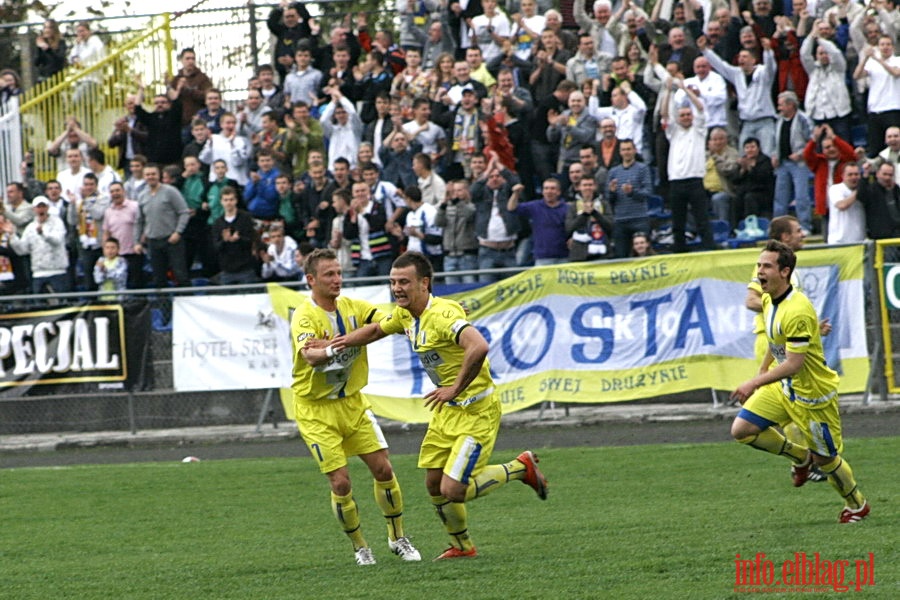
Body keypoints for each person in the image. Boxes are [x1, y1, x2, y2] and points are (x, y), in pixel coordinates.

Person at [329, 251, 548, 560]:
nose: (397, 288)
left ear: (424, 283)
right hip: (447, 412)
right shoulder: (406, 314)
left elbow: (479, 346)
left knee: (453, 490)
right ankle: (462, 547)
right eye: (393, 282)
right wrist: (337, 343)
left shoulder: (443, 315)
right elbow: (378, 329)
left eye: (404, 282)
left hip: (475, 411)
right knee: (433, 484)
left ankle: (519, 468)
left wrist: (455, 388)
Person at [289, 248, 421, 566]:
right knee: (341, 482)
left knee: (384, 469)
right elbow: (311, 356)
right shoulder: (303, 315)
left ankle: (398, 537)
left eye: (339, 273)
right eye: (329, 274)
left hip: (353, 404)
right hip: (315, 410)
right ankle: (361, 547)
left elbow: (385, 322)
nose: (337, 279)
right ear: (311, 280)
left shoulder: (353, 307)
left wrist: (340, 341)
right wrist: (345, 343)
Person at [730, 240, 869, 524]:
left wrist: (753, 383)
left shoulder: (797, 309)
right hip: (785, 389)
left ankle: (857, 505)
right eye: (759, 265)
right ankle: (800, 456)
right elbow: (775, 340)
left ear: (785, 272)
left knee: (827, 460)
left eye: (766, 266)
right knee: (742, 430)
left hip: (813, 397)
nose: (759, 272)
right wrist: (761, 373)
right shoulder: (769, 299)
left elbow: (795, 363)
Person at [662, 78, 715, 252]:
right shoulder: (674, 132)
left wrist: (685, 89)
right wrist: (668, 92)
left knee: (702, 219)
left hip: (695, 181)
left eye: (688, 115)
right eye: (682, 115)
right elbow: (664, 114)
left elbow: (700, 107)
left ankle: (710, 250)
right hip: (677, 181)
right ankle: (680, 251)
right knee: (678, 221)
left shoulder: (699, 129)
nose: (685, 117)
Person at [134, 164, 190, 288]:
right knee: (159, 278)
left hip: (172, 241)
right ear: (144, 177)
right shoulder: (142, 196)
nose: (150, 177)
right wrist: (137, 242)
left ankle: (186, 303)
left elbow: (184, 212)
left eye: (153, 174)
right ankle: (164, 306)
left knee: (180, 275)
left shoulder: (170, 191)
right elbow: (139, 221)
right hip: (153, 242)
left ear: (159, 175)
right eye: (147, 175)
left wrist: (178, 232)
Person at [4, 196, 69, 294]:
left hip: (57, 271)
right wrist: (12, 235)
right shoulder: (30, 227)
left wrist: (43, 233)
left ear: (47, 208)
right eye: (38, 207)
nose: (41, 209)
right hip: (38, 273)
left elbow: (57, 241)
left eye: (43, 206)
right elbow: (22, 250)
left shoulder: (57, 223)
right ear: (34, 209)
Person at [606, 138, 652, 258]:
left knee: (643, 255)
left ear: (634, 151)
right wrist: (612, 192)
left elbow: (648, 192)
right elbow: (609, 199)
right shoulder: (613, 172)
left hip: (639, 218)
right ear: (620, 152)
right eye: (623, 150)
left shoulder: (643, 168)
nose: (626, 152)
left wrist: (632, 192)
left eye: (629, 149)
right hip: (620, 220)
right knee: (621, 256)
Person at [211, 186, 259, 285]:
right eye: (226, 200)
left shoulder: (245, 218)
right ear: (221, 202)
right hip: (227, 269)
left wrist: (238, 239)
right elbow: (215, 247)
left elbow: (251, 241)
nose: (229, 203)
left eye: (231, 199)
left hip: (246, 268)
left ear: (236, 201)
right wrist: (225, 240)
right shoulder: (217, 223)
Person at [827, 163, 866, 244]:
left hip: (860, 240)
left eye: (856, 174)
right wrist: (859, 190)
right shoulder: (835, 189)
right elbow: (842, 205)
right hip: (839, 241)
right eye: (850, 175)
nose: (853, 177)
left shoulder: (864, 191)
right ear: (843, 176)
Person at [34, 19, 67, 83]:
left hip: (57, 78)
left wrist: (48, 49)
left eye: (49, 28)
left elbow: (59, 60)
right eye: (45, 28)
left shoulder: (61, 42)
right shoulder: (42, 42)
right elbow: (36, 62)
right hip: (44, 78)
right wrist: (39, 48)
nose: (46, 30)